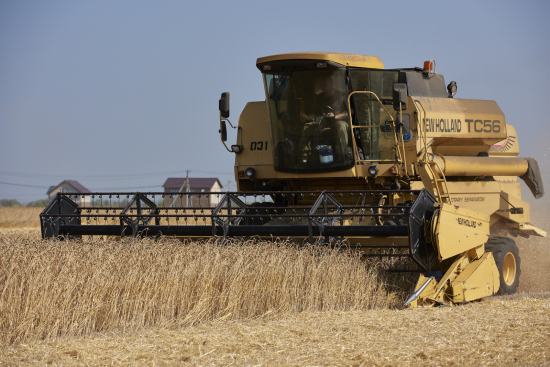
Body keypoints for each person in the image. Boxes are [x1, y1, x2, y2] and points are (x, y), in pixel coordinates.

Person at [298, 76, 351, 161]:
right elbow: (316, 114)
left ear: (331, 84)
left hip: (338, 122)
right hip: (322, 122)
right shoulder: (319, 98)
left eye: (325, 85)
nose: (322, 87)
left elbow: (349, 112)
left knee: (341, 126)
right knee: (306, 127)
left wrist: (335, 116)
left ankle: (342, 155)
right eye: (321, 85)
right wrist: (307, 117)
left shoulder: (341, 96)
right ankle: (305, 156)